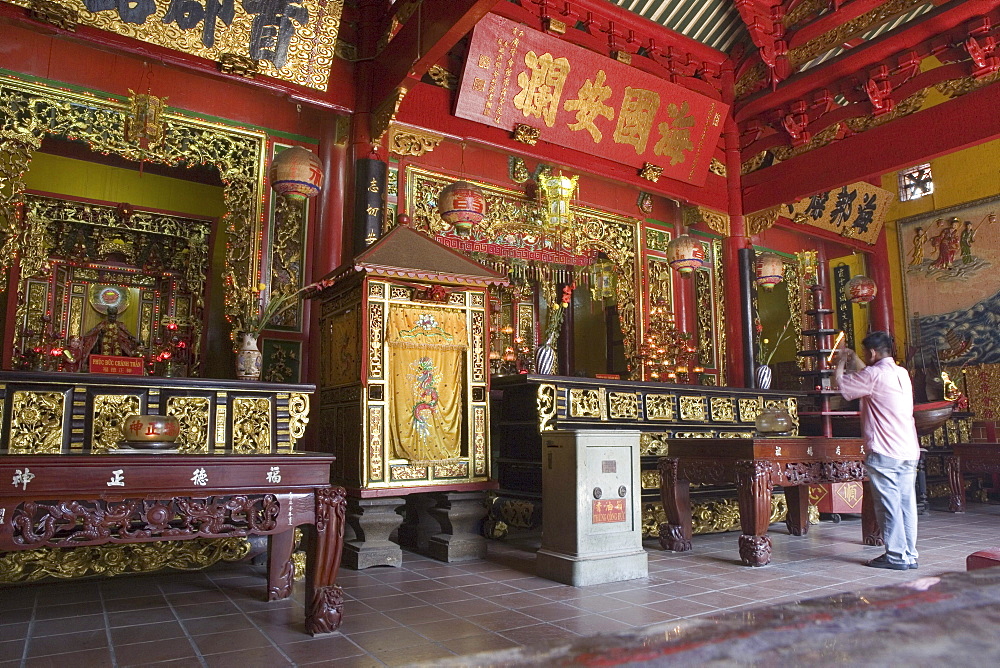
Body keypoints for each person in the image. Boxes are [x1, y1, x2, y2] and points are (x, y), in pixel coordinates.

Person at [834, 331, 920, 570]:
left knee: (888, 506)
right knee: (906, 504)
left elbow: (843, 386)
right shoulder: (901, 373)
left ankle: (895, 556)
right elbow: (868, 376)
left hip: (885, 450)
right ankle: (909, 554)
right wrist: (855, 360)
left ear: (872, 353)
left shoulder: (873, 374)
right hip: (908, 450)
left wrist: (841, 361)